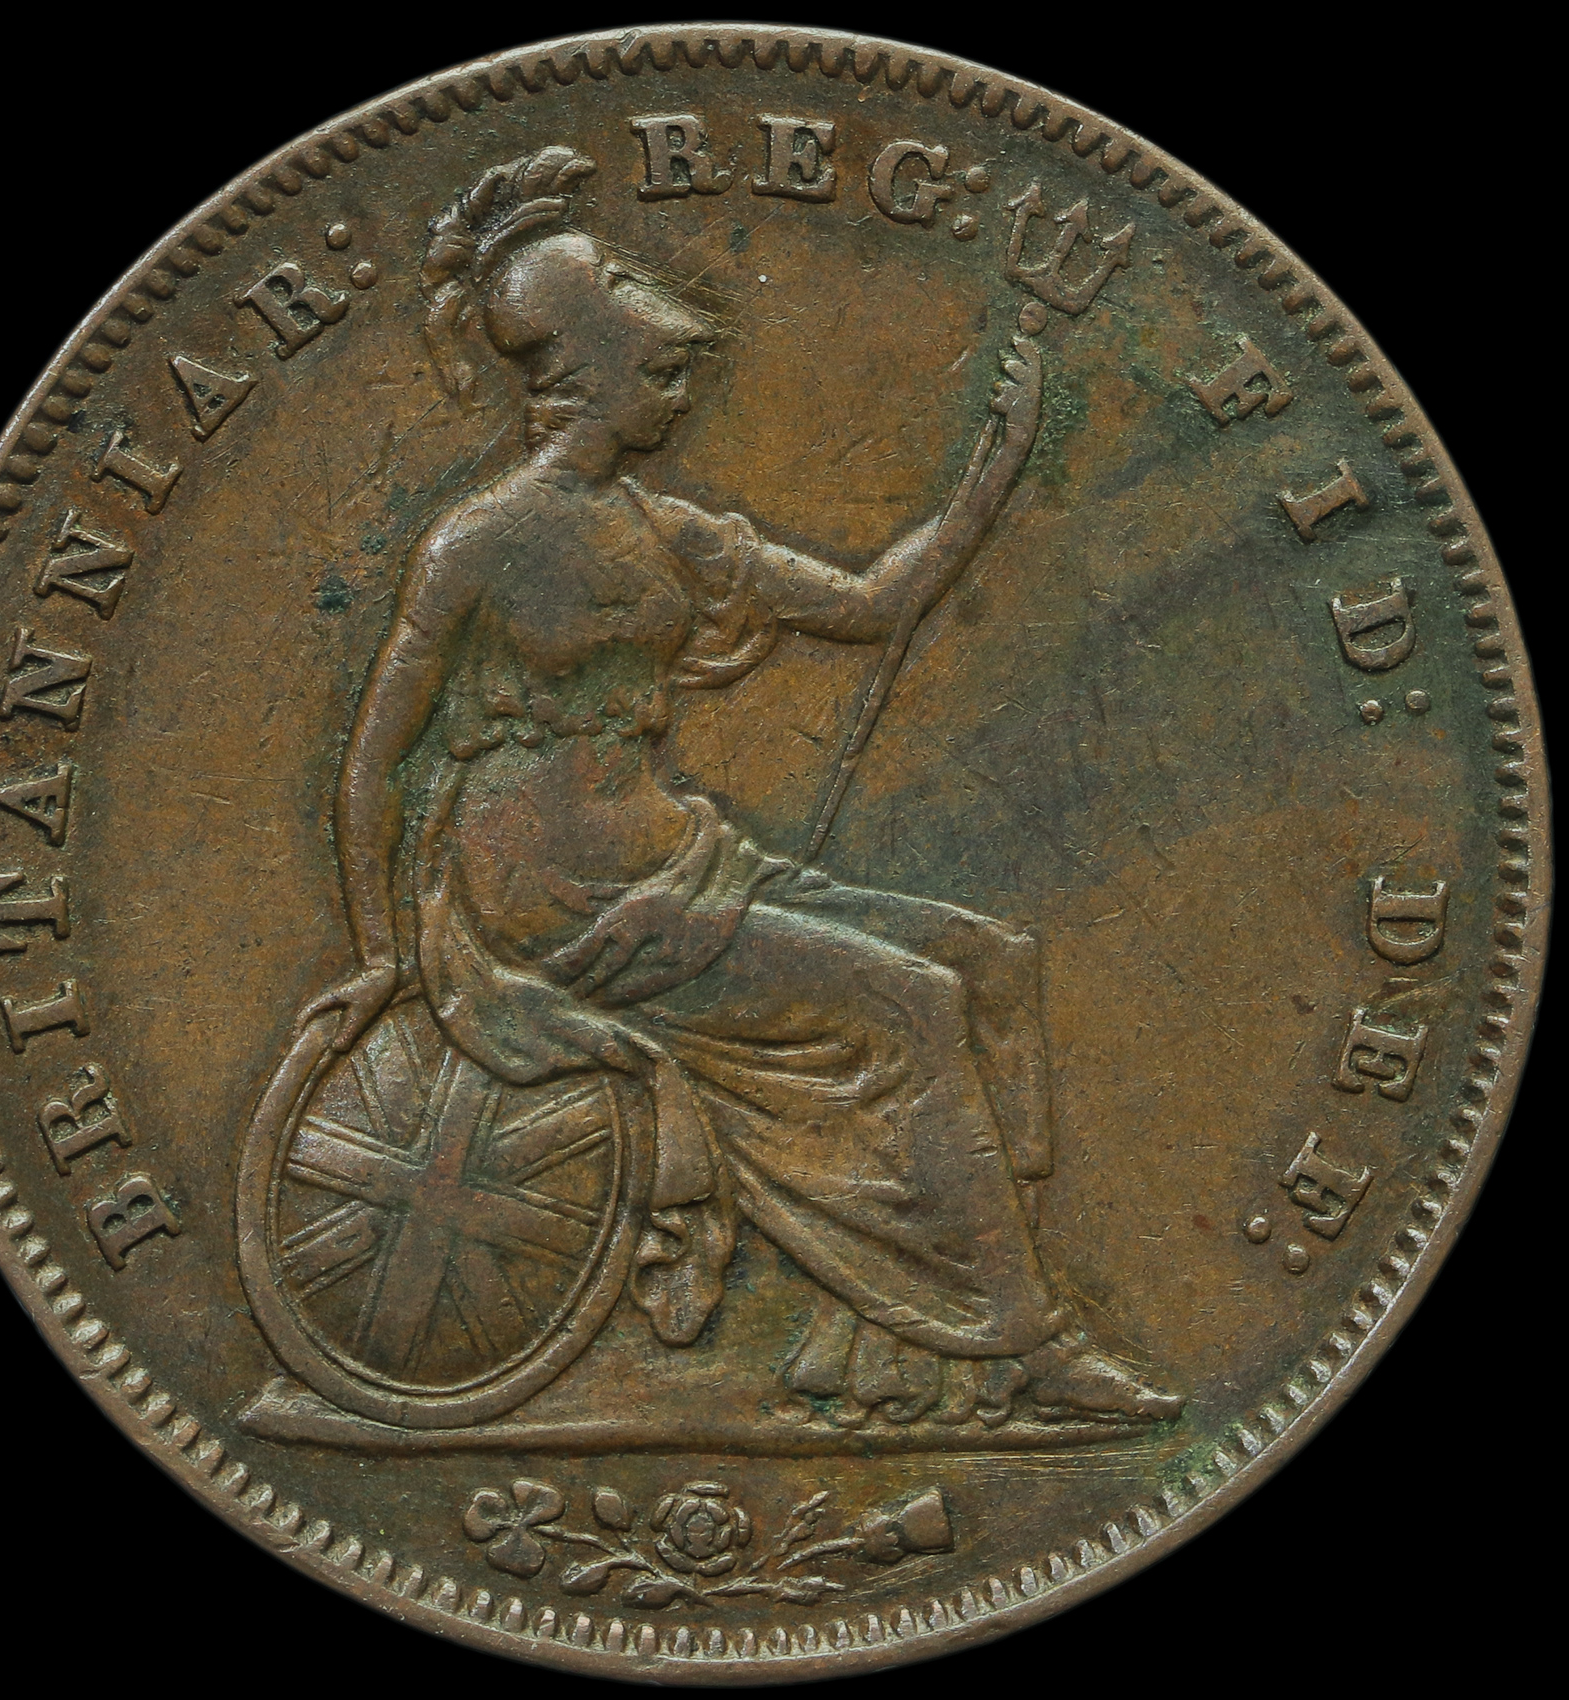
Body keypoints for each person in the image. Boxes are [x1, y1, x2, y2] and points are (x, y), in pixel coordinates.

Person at [300, 147, 1180, 1429]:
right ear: (583, 372)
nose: (680, 396)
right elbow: (376, 758)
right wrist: (383, 953)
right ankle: (1028, 1342)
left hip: (672, 862)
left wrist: (993, 473)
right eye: (659, 373)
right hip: (554, 903)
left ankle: (931, 1336)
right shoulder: (474, 543)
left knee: (988, 963)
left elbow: (871, 604)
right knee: (918, 1001)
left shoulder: (667, 530)